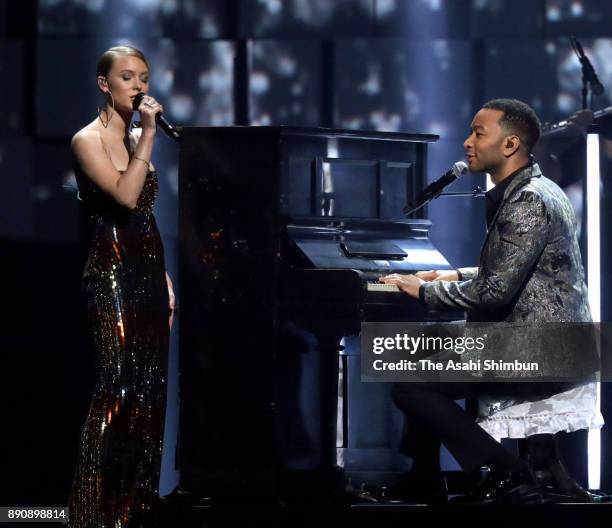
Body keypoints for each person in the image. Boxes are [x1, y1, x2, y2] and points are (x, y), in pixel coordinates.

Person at [380, 99, 597, 504]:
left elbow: (495, 292)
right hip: (545, 341)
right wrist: (452, 275)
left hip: (543, 351)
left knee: (409, 384)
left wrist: (424, 290)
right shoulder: (536, 187)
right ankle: (423, 476)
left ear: (511, 143)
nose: (467, 142)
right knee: (422, 349)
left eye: (479, 133)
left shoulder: (528, 200)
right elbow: (519, 269)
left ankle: (507, 470)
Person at [68, 46, 175, 527]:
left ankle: (135, 505)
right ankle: (93, 511)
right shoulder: (86, 140)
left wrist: (165, 279)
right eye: (128, 77)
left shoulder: (137, 140)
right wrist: (148, 136)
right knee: (118, 386)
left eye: (145, 78)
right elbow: (127, 197)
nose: (139, 87)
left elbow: (147, 218)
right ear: (103, 84)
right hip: (110, 271)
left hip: (148, 271)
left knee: (150, 389)